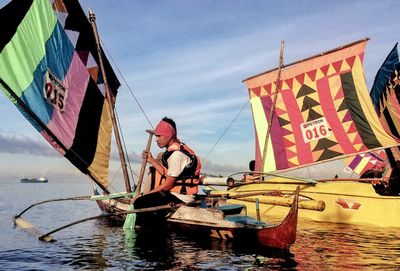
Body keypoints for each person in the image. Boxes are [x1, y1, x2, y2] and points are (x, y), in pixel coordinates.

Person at [139, 117, 201, 202]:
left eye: (159, 136)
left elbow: (168, 185)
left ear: (169, 135)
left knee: (140, 202)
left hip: (182, 197)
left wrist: (148, 195)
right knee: (142, 201)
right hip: (173, 194)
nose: (156, 140)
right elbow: (166, 174)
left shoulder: (177, 155)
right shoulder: (173, 152)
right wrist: (151, 160)